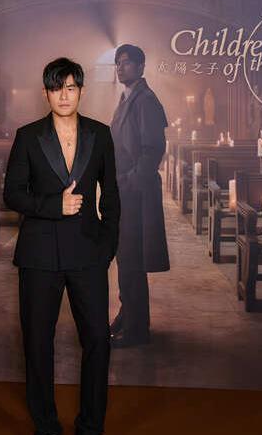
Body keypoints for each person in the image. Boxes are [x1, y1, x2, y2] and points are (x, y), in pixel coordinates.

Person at [4, 57, 120, 435]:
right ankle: (46, 426)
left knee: (98, 339)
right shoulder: (28, 136)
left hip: (88, 252)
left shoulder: (100, 134)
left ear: (81, 91)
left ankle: (91, 426)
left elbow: (112, 196)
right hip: (39, 255)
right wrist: (55, 206)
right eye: (57, 88)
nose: (64, 95)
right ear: (46, 93)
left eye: (71, 87)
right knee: (38, 344)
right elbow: (12, 194)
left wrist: (107, 246)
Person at [109, 44, 170, 348]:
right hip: (124, 189)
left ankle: (137, 329)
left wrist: (130, 182)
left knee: (131, 258)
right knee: (125, 257)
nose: (120, 68)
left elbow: (153, 150)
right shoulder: (128, 98)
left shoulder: (146, 101)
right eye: (118, 63)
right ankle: (128, 314)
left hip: (135, 192)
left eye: (126, 63)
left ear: (141, 67)